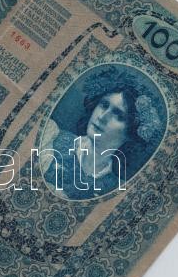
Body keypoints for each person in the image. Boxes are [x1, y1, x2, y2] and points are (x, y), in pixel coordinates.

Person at [40, 66, 163, 199]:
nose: (103, 117)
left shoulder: (116, 190)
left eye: (118, 115)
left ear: (132, 132)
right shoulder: (50, 137)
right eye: (104, 105)